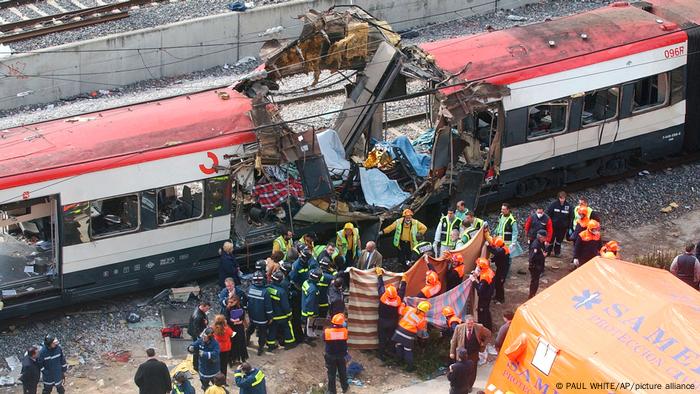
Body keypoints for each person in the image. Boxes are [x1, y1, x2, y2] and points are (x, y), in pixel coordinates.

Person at [392, 300, 431, 372]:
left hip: (399, 330)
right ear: (425, 311)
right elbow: (419, 328)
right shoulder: (422, 319)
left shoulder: (409, 309)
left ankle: (398, 362)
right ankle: (410, 367)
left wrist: (403, 303)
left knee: (399, 345)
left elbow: (400, 311)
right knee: (408, 350)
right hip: (409, 334)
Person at [376, 268, 406, 359]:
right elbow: (402, 290)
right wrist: (404, 281)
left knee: (382, 338)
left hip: (382, 321)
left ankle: (381, 355)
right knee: (391, 338)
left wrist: (379, 275)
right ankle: (391, 353)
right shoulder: (398, 299)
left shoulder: (383, 297)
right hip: (393, 322)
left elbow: (380, 286)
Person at [247, 271, 274, 355]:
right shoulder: (265, 292)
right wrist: (270, 317)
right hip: (262, 319)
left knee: (250, 330)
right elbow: (268, 308)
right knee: (262, 334)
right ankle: (260, 349)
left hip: (252, 317)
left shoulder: (250, 289)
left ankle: (246, 341)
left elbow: (247, 303)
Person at [268, 270, 296, 349]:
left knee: (272, 330)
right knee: (287, 328)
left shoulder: (268, 288)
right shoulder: (282, 292)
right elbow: (285, 306)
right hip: (282, 316)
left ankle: (270, 345)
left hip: (272, 315)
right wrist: (289, 314)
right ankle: (289, 343)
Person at [324, 313, 350, 394]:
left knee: (331, 374)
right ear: (342, 323)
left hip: (330, 356)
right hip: (341, 356)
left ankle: (331, 391)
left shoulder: (327, 332)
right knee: (342, 372)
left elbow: (324, 339)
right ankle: (345, 389)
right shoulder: (345, 332)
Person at [546, 191, 573, 256]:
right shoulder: (554, 205)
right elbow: (548, 214)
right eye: (561, 198)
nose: (562, 200)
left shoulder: (568, 206)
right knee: (551, 240)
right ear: (558, 198)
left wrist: (569, 227)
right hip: (553, 226)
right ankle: (548, 252)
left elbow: (570, 217)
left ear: (565, 198)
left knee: (559, 241)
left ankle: (557, 253)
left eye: (563, 198)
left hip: (562, 228)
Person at [471, 258, 494, 331]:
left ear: (481, 267)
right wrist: (477, 275)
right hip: (489, 294)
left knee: (482, 313)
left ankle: (483, 329)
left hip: (484, 296)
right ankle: (489, 327)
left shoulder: (484, 277)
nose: (477, 267)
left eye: (478, 266)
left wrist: (474, 281)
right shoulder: (489, 271)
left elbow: (480, 289)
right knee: (486, 310)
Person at [225, 294, 249, 365]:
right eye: (229, 302)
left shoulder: (240, 306)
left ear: (237, 301)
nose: (230, 303)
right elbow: (226, 318)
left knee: (241, 342)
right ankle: (233, 359)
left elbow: (242, 314)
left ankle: (242, 358)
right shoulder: (228, 308)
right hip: (232, 328)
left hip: (239, 328)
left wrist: (239, 319)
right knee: (233, 344)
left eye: (232, 302)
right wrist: (233, 322)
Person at [486, 236, 510, 304]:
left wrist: (488, 246)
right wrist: (492, 260)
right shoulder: (502, 248)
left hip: (503, 270)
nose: (495, 246)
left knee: (500, 284)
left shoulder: (503, 250)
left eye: (496, 246)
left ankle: (501, 299)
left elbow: (496, 252)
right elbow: (497, 256)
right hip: (500, 268)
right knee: (497, 283)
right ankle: (497, 296)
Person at [188, 301, 211, 372]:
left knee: (197, 349)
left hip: (194, 332)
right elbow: (197, 329)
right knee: (197, 349)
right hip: (197, 334)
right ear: (203, 306)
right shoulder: (198, 316)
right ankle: (196, 366)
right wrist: (201, 337)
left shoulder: (198, 310)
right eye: (207, 308)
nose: (208, 310)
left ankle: (196, 364)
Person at [302, 268, 322, 341]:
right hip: (310, 311)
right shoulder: (313, 289)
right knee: (309, 325)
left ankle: (306, 335)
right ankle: (307, 337)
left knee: (307, 325)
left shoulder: (306, 283)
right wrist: (311, 314)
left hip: (304, 308)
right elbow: (310, 302)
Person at [528, 230, 547, 299]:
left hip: (539, 265)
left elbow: (544, 250)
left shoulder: (542, 243)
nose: (545, 238)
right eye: (544, 237)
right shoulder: (535, 245)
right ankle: (531, 295)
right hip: (535, 266)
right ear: (540, 237)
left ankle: (533, 294)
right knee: (534, 281)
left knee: (536, 281)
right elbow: (532, 257)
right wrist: (543, 256)